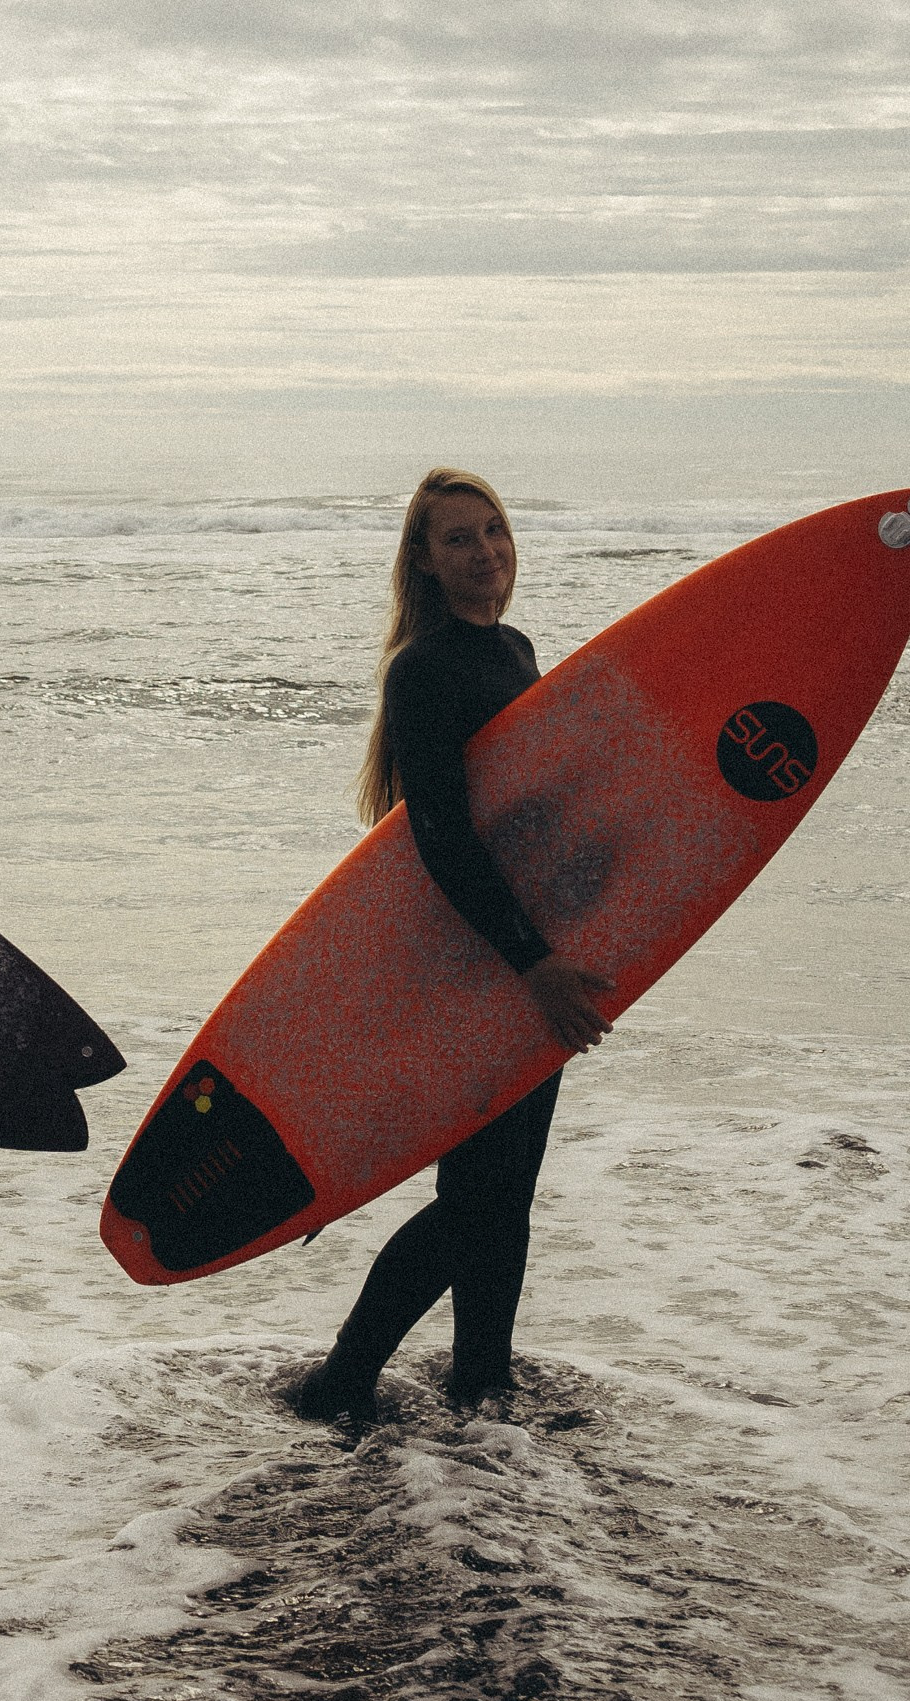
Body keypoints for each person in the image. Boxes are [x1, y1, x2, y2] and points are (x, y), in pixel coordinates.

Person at [294, 467, 614, 1423]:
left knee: (506, 1191)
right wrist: (533, 962)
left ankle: (482, 1377)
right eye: (459, 539)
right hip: (477, 961)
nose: (485, 553)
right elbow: (443, 834)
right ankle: (342, 1378)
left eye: (494, 531)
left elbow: (531, 812)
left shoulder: (515, 649)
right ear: (425, 561)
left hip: (528, 953)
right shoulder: (424, 670)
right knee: (477, 1195)